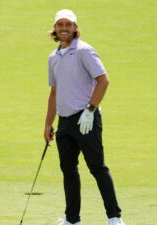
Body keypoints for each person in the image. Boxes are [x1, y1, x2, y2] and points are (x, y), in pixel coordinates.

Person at [43, 9, 125, 225]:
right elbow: (54, 92)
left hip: (86, 118)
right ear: (55, 28)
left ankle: (115, 218)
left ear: (75, 28)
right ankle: (72, 220)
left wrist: (90, 110)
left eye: (68, 25)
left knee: (97, 167)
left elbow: (103, 80)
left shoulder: (84, 51)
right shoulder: (53, 57)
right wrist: (48, 124)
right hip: (65, 122)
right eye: (60, 24)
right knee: (68, 171)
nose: (64, 28)